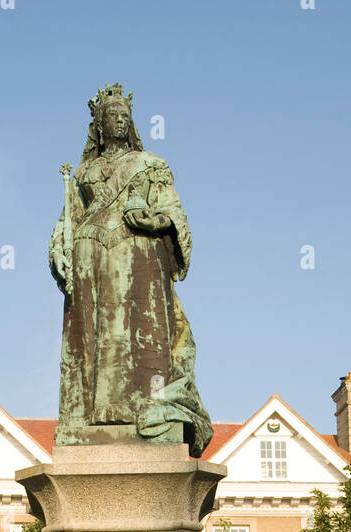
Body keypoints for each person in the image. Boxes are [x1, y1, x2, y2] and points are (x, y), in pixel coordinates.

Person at [49, 84, 212, 458]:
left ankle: (146, 411)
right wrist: (58, 251)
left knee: (138, 335)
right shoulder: (82, 173)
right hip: (89, 259)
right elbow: (67, 222)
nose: (119, 121)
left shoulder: (150, 165)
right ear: (99, 125)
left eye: (125, 116)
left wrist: (153, 221)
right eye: (112, 116)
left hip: (138, 260)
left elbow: (174, 213)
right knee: (91, 338)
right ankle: (86, 418)